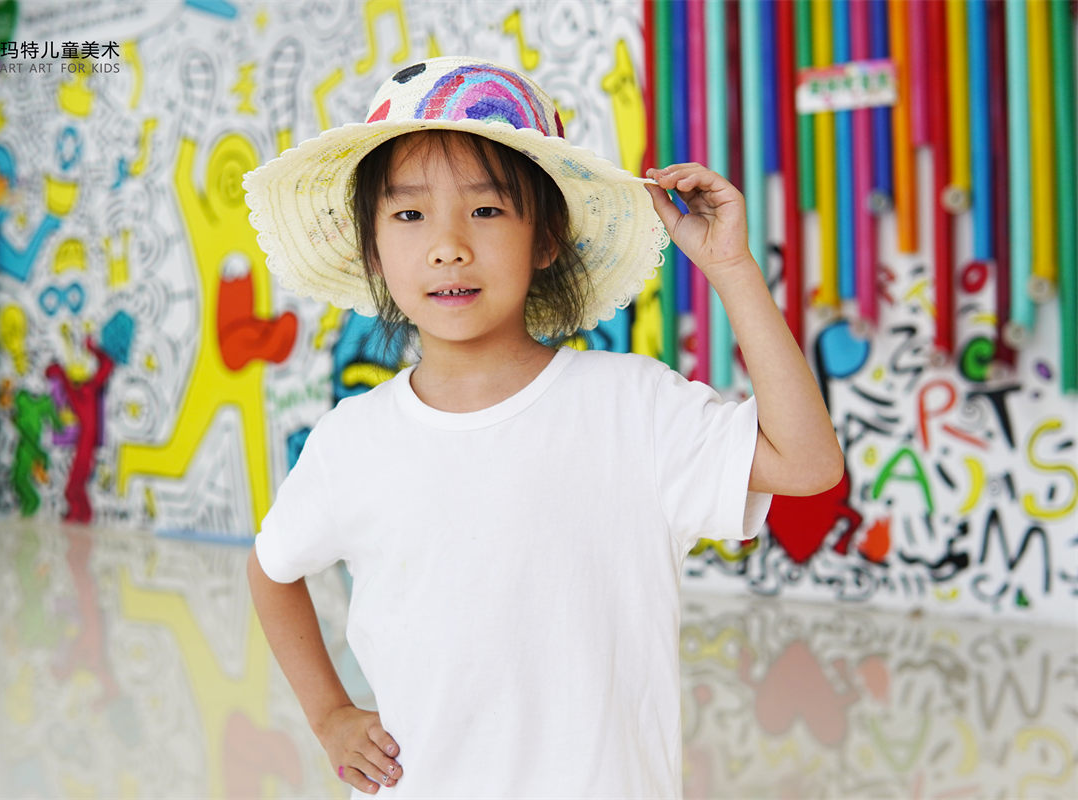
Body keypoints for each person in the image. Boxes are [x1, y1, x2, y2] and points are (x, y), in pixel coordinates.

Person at [244, 57, 842, 798]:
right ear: (373, 249)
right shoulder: (351, 441)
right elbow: (271, 570)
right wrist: (330, 713)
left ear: (546, 238)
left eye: (487, 210)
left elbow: (808, 464)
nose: (447, 245)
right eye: (408, 215)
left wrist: (731, 268)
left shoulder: (631, 407)